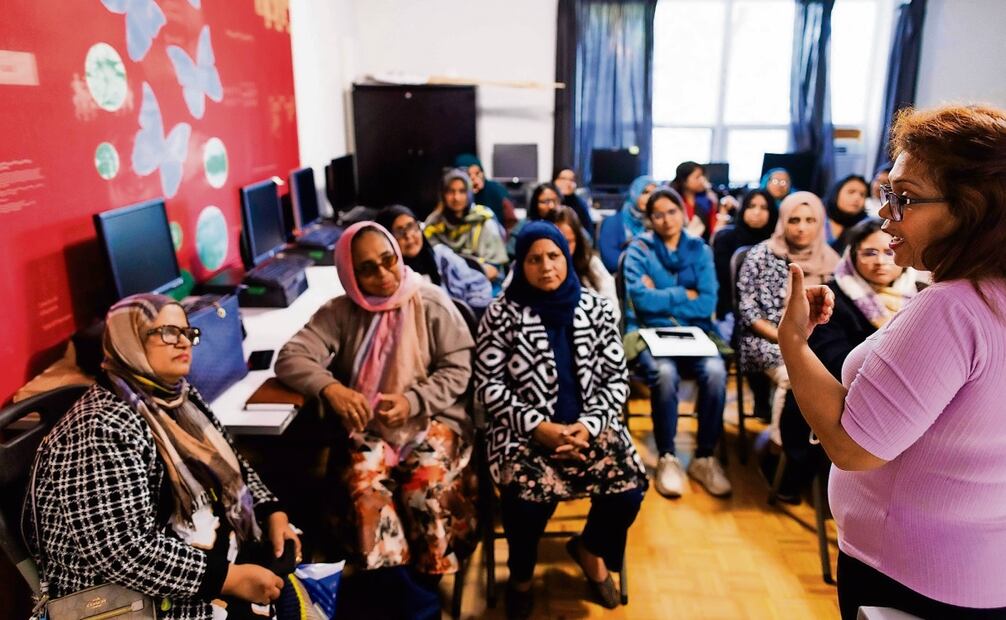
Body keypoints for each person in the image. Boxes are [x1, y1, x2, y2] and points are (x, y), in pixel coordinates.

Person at [778, 104, 1006, 618]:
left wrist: (793, 339)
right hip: (979, 565)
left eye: (904, 199)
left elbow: (852, 445)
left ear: (973, 208)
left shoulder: (954, 308)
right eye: (888, 194)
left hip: (909, 572)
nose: (885, 216)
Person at [26, 294, 299, 619]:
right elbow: (122, 552)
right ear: (129, 340)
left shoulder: (178, 396)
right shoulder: (102, 427)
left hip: (194, 562)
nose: (183, 341)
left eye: (187, 332)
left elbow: (230, 465)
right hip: (129, 600)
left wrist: (271, 511)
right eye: (169, 332)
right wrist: (228, 579)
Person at [274, 223, 477, 609]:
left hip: (431, 419)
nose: (384, 276)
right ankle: (402, 590)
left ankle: (427, 585)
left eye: (389, 262)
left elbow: (458, 368)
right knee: (368, 494)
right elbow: (291, 357)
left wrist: (413, 400)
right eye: (367, 269)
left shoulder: (430, 301)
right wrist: (331, 388)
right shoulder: (341, 311)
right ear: (350, 275)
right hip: (370, 428)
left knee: (427, 488)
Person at [475, 221, 646, 618]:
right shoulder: (501, 314)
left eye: (553, 256)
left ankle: (589, 549)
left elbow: (616, 380)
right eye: (534, 259)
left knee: (628, 490)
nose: (546, 266)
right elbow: (488, 386)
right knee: (525, 505)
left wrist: (588, 425)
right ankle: (520, 576)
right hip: (523, 434)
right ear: (521, 263)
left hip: (590, 428)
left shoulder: (597, 308)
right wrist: (538, 426)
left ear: (567, 257)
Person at [774, 217, 919, 502]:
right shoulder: (832, 296)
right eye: (870, 252)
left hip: (895, 402)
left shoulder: (918, 297)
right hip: (841, 396)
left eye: (890, 251)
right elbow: (833, 359)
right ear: (852, 254)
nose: (881, 262)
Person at [623, 187, 731, 499]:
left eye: (672, 211)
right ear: (650, 219)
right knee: (665, 373)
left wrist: (661, 295)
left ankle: (704, 457)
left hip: (696, 333)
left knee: (714, 372)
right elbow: (641, 302)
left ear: (682, 214)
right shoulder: (640, 249)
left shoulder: (699, 249)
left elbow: (707, 301)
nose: (666, 219)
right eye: (658, 214)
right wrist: (685, 293)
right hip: (649, 332)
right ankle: (668, 456)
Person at [737, 191, 839, 445]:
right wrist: (788, 338)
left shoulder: (832, 260)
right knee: (794, 379)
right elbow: (749, 312)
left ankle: (825, 447)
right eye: (794, 220)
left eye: (810, 220)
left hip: (816, 341)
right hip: (766, 339)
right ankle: (781, 447)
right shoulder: (762, 255)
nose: (802, 228)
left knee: (839, 371)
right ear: (783, 221)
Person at [376, 204, 493, 312]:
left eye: (412, 226)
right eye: (400, 231)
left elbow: (478, 286)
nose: (409, 236)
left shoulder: (442, 258)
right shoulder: (387, 278)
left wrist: (467, 316)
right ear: (387, 239)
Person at [424, 168, 509, 290]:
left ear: (469, 193)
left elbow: (494, 270)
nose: (456, 197)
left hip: (483, 286)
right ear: (442, 194)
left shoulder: (483, 220)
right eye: (450, 191)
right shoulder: (434, 224)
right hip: (443, 287)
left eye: (462, 191)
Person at [711, 188, 779, 320]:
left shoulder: (777, 245)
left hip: (770, 316)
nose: (757, 212)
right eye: (751, 206)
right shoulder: (725, 239)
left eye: (764, 207)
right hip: (729, 314)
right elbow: (721, 283)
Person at [544, 205, 620, 322]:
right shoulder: (532, 265)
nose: (562, 248)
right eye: (555, 241)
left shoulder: (591, 263)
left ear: (577, 240)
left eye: (568, 242)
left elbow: (613, 311)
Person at [598, 174, 657, 273]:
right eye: (645, 192)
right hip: (623, 279)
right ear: (634, 193)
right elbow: (611, 261)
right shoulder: (614, 222)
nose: (650, 197)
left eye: (654, 194)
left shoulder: (658, 222)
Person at [454, 153, 518, 231]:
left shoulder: (496, 190)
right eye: (468, 175)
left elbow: (511, 223)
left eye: (477, 173)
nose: (474, 179)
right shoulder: (457, 196)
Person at [506, 182, 563, 258]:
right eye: (545, 202)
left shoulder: (566, 224)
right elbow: (510, 255)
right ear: (535, 204)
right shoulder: (524, 226)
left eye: (555, 201)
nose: (551, 206)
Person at [670, 161, 722, 240]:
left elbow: (713, 230)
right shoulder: (675, 202)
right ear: (684, 181)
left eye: (703, 176)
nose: (702, 180)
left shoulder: (708, 200)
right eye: (697, 177)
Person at [824, 174, 871, 254]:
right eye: (851, 192)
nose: (857, 198)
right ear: (836, 193)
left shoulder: (866, 226)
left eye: (862, 195)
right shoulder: (818, 216)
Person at [552, 165, 595, 239]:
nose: (568, 183)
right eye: (563, 179)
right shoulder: (548, 202)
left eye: (571, 180)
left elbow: (589, 236)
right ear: (554, 181)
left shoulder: (580, 204)